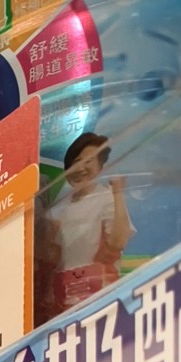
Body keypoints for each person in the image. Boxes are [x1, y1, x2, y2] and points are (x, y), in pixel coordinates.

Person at [44, 132, 133, 314]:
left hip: (99, 295)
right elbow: (51, 259)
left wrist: (118, 193)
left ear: (100, 166)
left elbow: (118, 241)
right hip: (62, 300)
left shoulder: (107, 197)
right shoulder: (58, 209)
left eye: (88, 161)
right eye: (76, 161)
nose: (80, 168)